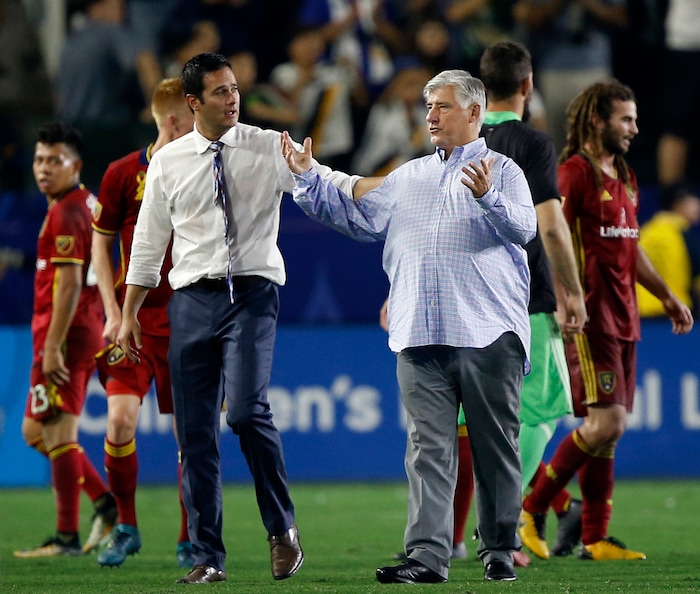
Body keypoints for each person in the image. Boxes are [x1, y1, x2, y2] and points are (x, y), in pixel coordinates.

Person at [115, 52, 371, 585]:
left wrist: (377, 186)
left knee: (244, 413)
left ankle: (283, 530)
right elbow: (147, 242)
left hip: (251, 295)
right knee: (195, 435)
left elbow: (324, 181)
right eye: (220, 92)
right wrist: (128, 314)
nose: (232, 98)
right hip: (189, 301)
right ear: (193, 102)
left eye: (234, 88)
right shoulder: (168, 161)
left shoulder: (268, 145)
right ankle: (208, 555)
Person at [282, 69, 537, 582]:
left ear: (474, 112)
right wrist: (308, 178)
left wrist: (488, 196)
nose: (432, 116)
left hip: (487, 332)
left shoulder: (504, 169)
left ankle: (500, 550)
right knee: (427, 452)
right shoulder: (409, 175)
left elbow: (524, 228)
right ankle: (426, 557)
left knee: (495, 447)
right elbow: (358, 218)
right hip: (419, 333)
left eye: (443, 106)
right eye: (429, 107)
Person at [519, 79, 694, 561]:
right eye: (626, 119)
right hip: (589, 318)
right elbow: (546, 234)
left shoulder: (626, 177)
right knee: (605, 424)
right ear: (598, 121)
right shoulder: (572, 175)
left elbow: (630, 248)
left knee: (607, 434)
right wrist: (564, 297)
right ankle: (531, 509)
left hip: (627, 318)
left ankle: (595, 537)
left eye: (635, 119)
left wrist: (668, 296)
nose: (635, 128)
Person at [90, 78, 195, 568]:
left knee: (189, 437)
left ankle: (188, 536)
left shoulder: (201, 169)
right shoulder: (121, 174)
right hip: (131, 324)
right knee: (118, 420)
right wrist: (112, 312)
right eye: (193, 116)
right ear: (173, 120)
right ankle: (127, 527)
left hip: (187, 323)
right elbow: (100, 239)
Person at [13, 123, 115, 557]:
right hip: (75, 327)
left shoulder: (68, 211)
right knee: (37, 430)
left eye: (55, 160)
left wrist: (52, 344)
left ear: (76, 164)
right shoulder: (82, 202)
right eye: (39, 160)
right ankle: (104, 503)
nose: (44, 168)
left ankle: (68, 536)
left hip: (65, 333)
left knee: (56, 433)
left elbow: (69, 284)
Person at [637, 183, 700, 318]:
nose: (697, 205)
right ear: (678, 204)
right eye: (693, 200)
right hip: (675, 315)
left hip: (639, 314)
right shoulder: (686, 237)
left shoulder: (644, 233)